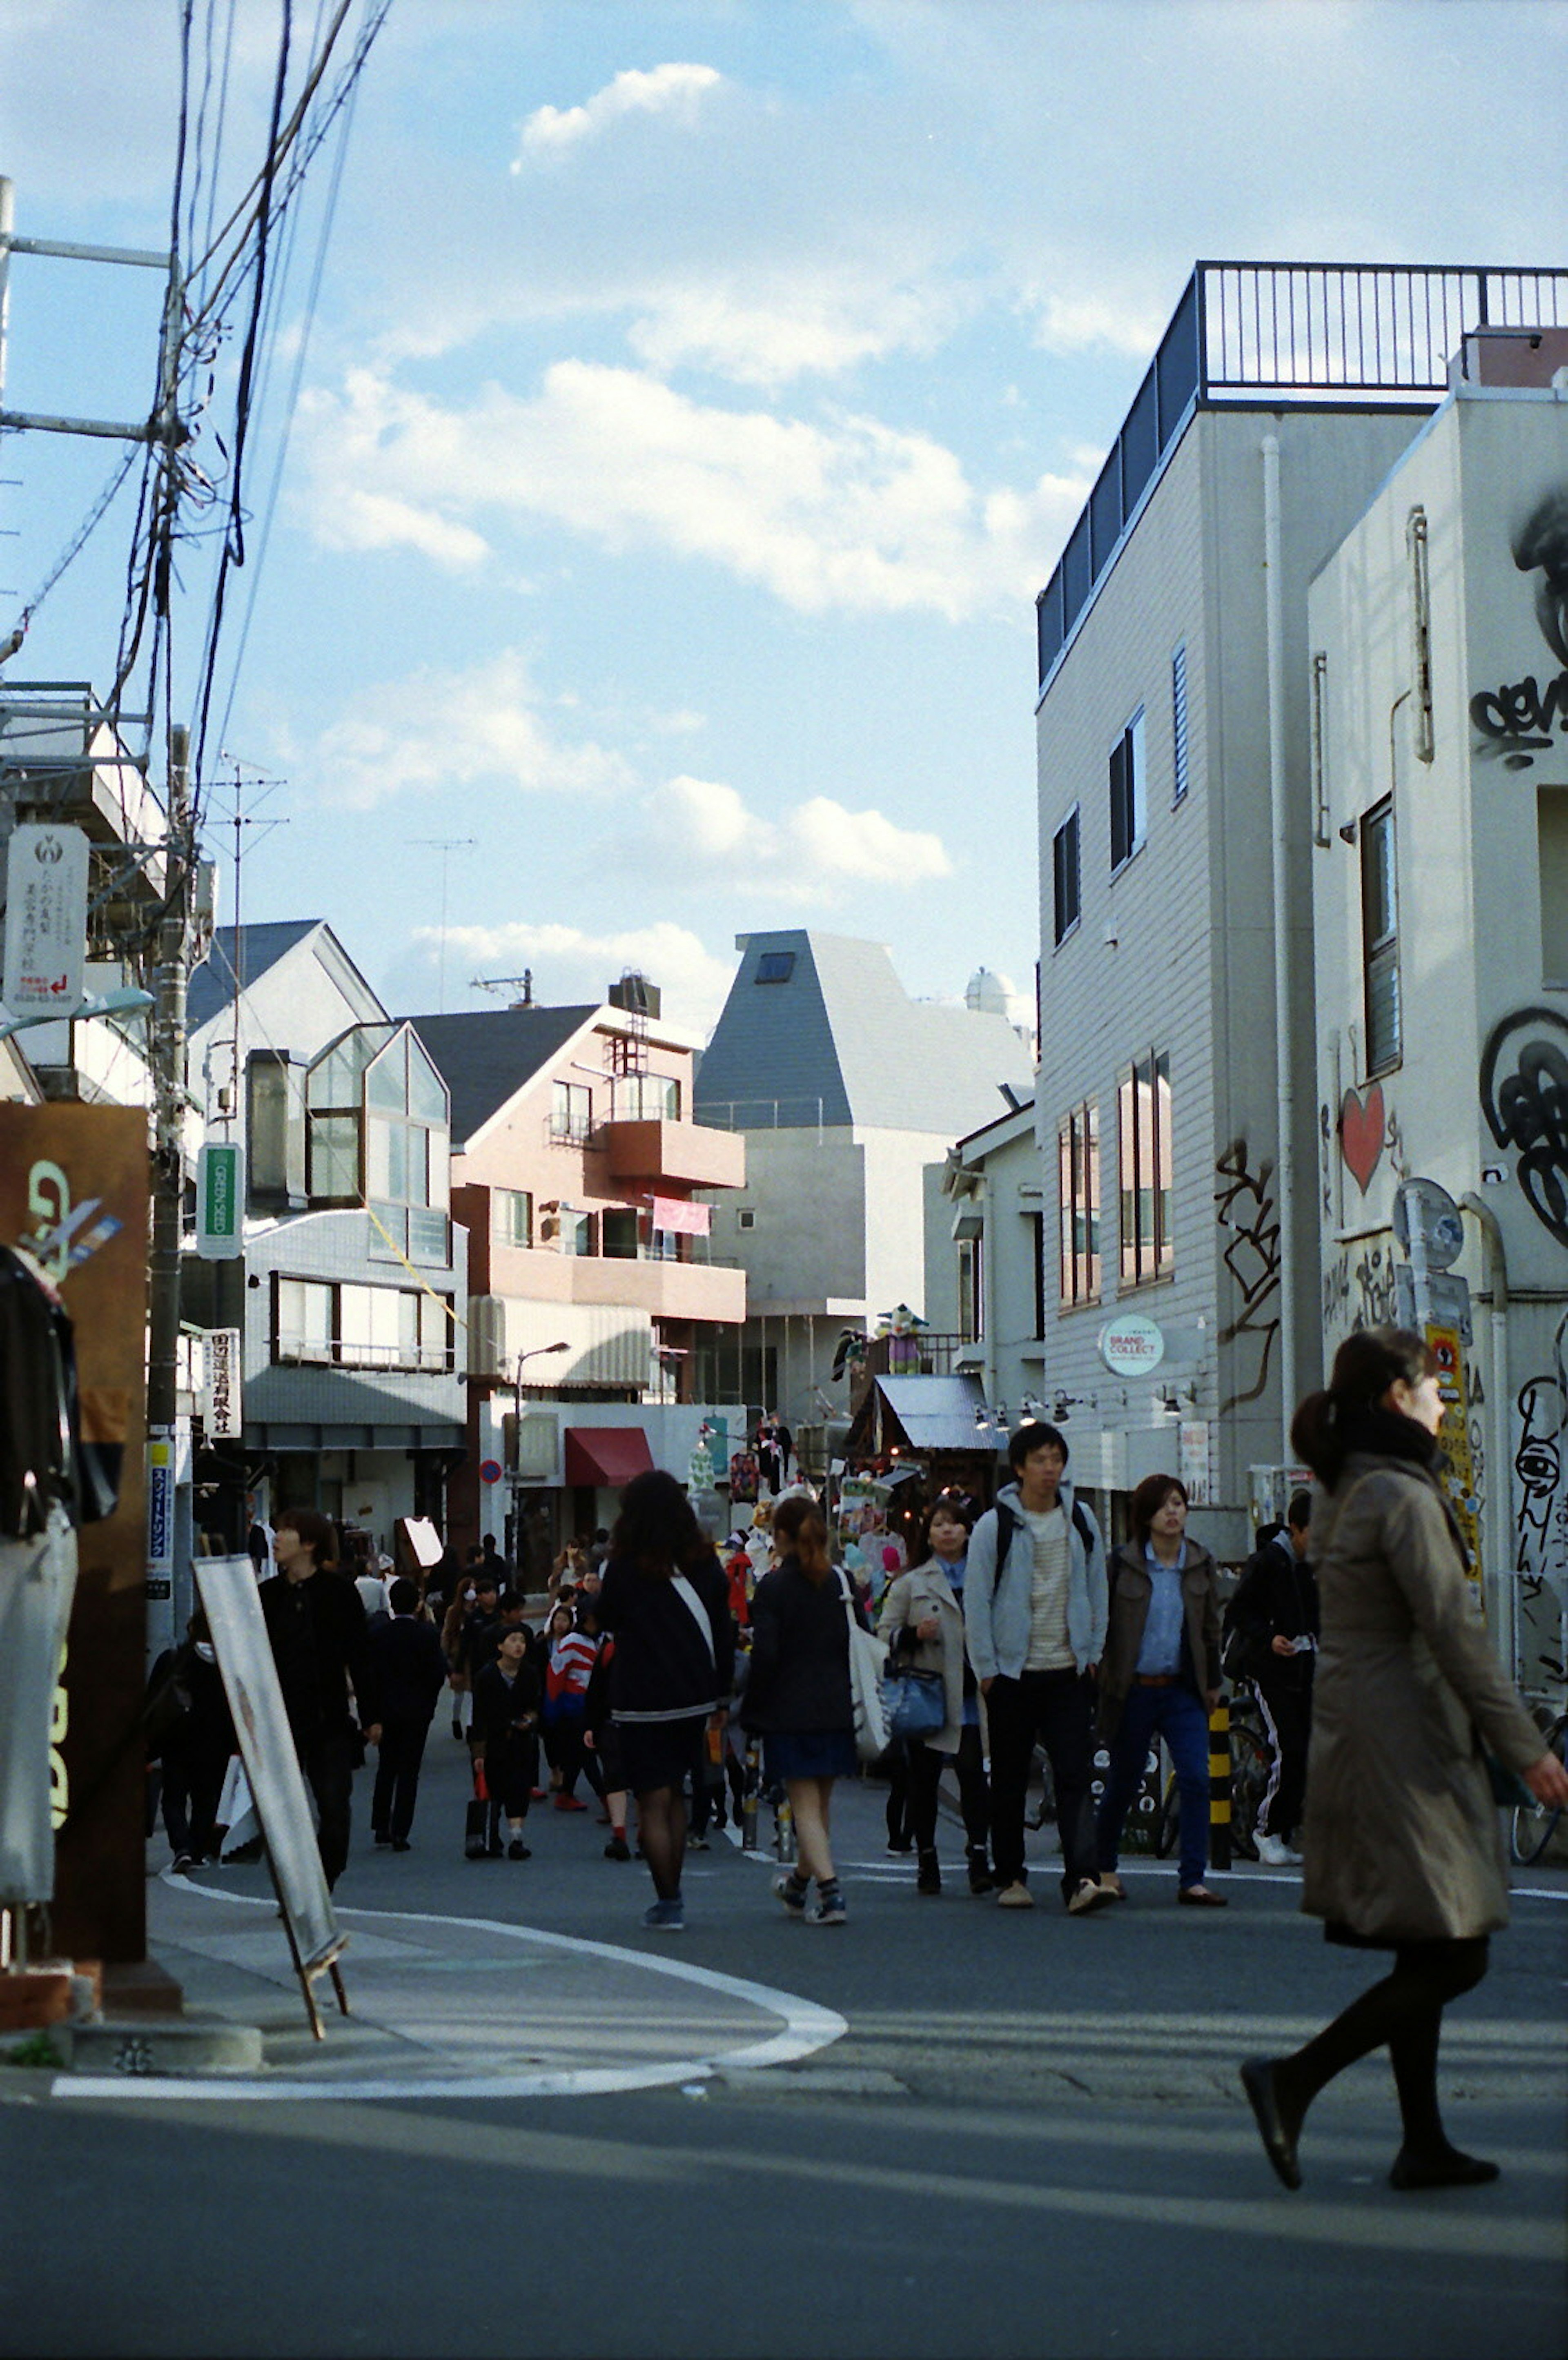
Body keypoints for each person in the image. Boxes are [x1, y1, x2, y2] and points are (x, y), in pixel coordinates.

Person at [1240, 1327, 1568, 2194]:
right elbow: (1454, 1634)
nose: (1444, 1399)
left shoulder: (1352, 1484)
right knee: (1456, 1951)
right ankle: (1294, 2078)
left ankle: (1423, 2142)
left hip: (1370, 1733)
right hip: (1407, 1744)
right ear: (1397, 1395)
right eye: (1432, 1387)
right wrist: (1528, 1749)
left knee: (1429, 1939)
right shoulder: (1400, 1494)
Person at [963, 1420, 1109, 1914]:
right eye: (1040, 1460)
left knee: (1074, 1775)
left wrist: (1093, 1655)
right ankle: (1011, 1875)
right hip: (1012, 1672)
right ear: (1020, 1467)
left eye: (1056, 1459)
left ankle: (1081, 1878)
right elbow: (977, 1600)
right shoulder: (994, 1525)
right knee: (1007, 1778)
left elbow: (1097, 1589)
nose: (1050, 1469)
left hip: (1069, 1669)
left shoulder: (1082, 1519)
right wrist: (986, 1667)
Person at [597, 1470, 735, 1931]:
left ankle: (668, 1899)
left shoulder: (621, 1566)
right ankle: (673, 1895)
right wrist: (722, 1693)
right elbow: (723, 1629)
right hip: (694, 1694)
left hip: (640, 1696)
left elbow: (606, 1619)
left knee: (652, 1799)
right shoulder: (703, 1560)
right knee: (676, 1790)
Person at [1095, 1473, 1226, 1906]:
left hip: (1182, 1688)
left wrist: (1212, 1682)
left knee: (1196, 1776)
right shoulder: (1123, 1564)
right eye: (1164, 1505)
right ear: (1146, 1514)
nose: (1173, 1512)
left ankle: (1193, 1877)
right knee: (1125, 1779)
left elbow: (1210, 1627)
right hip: (1133, 1687)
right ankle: (1105, 1866)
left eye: (1179, 1503)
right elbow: (1106, 1626)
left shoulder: (1200, 1562)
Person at [742, 1493, 862, 1926]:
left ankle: (831, 1894)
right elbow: (860, 1639)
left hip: (790, 1708)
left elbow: (766, 1656)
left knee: (805, 1807)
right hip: (838, 1705)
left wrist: (752, 1708)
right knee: (821, 1806)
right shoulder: (842, 1582)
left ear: (780, 1537)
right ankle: (797, 1885)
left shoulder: (773, 1587)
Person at [259, 1507, 381, 1892]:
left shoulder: (340, 1594)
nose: (276, 1539)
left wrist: (372, 1715)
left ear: (309, 1544)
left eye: (285, 1532)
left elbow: (361, 1658)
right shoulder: (266, 1596)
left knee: (334, 1810)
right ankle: (295, 1889)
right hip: (278, 1723)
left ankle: (322, 1881)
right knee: (281, 1815)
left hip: (328, 1718)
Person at [878, 1494, 991, 1895]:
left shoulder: (984, 1577)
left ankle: (979, 1853)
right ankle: (927, 1858)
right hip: (929, 1692)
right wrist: (912, 1635)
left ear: (967, 1530)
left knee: (974, 1777)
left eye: (955, 1523)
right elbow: (884, 1636)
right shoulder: (911, 1582)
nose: (948, 1531)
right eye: (939, 1524)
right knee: (923, 1782)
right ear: (927, 1535)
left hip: (974, 1693)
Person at [1227, 1490, 1319, 1864]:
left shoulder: (1314, 1566)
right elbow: (1239, 1611)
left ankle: (1281, 1831)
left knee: (1308, 1750)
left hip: (1307, 1666)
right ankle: (1265, 1831)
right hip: (1270, 1669)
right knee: (1289, 1747)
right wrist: (1269, 1638)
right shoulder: (1269, 1562)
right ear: (1296, 1528)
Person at [148, 1609, 235, 1871]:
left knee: (174, 1798)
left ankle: (182, 1848)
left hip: (177, 1740)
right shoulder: (229, 1663)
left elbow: (153, 1702)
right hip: (215, 1742)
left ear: (191, 1629)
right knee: (205, 1799)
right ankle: (196, 1850)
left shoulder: (173, 1659)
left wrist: (149, 1746)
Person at [368, 1576, 448, 1851]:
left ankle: (380, 1825)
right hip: (417, 1711)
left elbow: (371, 1677)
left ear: (391, 1603)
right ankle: (401, 1830)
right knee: (409, 1771)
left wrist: (373, 1715)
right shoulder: (427, 1635)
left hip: (387, 1710)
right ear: (417, 1604)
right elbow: (438, 1673)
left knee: (387, 1767)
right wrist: (429, 1703)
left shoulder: (379, 1635)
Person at [471, 1624, 542, 1859]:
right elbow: (479, 1714)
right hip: (495, 1741)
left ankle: (516, 1838)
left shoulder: (530, 1673)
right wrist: (479, 1752)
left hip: (522, 1741)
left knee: (520, 1790)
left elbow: (535, 1706)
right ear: (500, 1646)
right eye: (513, 1640)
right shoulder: (487, 1676)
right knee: (495, 1789)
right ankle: (491, 1837)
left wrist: (530, 1721)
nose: (518, 1645)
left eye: (522, 1640)